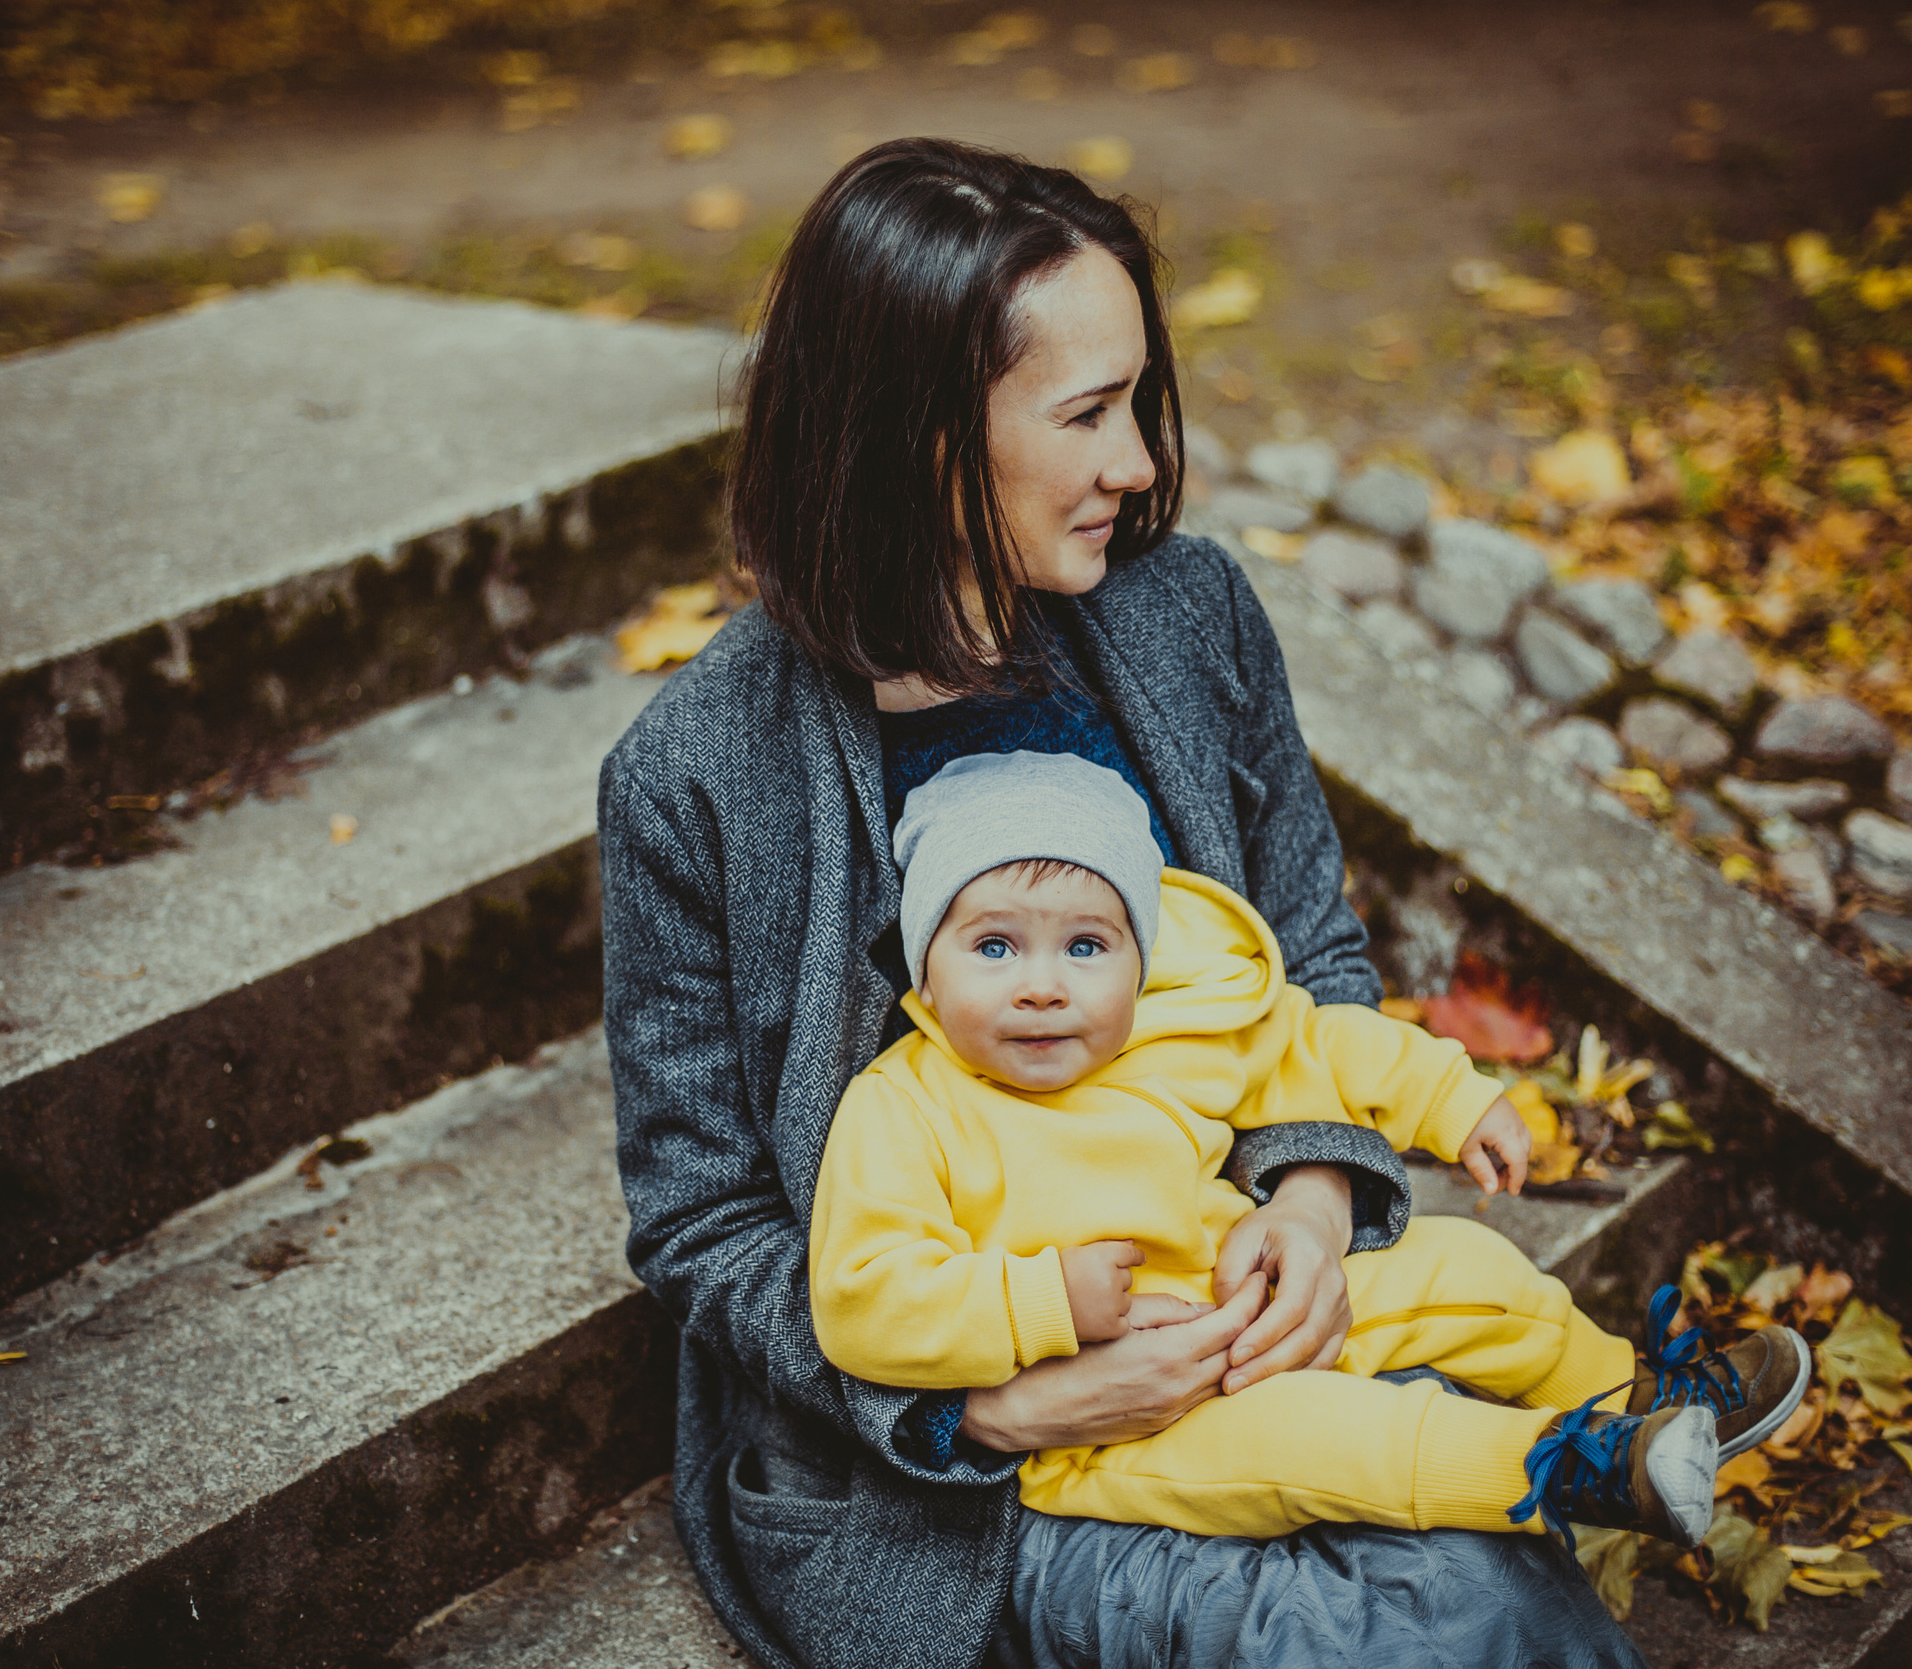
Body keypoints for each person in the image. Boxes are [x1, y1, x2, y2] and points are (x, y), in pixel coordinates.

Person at [602, 137, 1655, 1669]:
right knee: (1449, 1623)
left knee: (1498, 1553)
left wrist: (1309, 1196)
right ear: (916, 434)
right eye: (1088, 415)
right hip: (998, 1464)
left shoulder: (1186, 612)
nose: (1142, 463)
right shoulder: (698, 772)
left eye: (1136, 402)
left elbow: (1309, 955)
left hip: (1246, 1299)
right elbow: (705, 1224)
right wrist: (994, 1400)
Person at [810, 749, 1810, 1551]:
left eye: (1085, 947)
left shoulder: (1175, 1024)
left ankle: (1629, 1391)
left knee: (1471, 1271)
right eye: (992, 947)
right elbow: (862, 1300)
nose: (1041, 985)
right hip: (1117, 1422)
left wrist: (1451, 1100)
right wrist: (1040, 1303)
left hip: (1256, 1301)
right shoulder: (904, 1110)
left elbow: (1315, 1040)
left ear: (1139, 960)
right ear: (925, 971)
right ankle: (1572, 1468)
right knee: (1330, 1445)